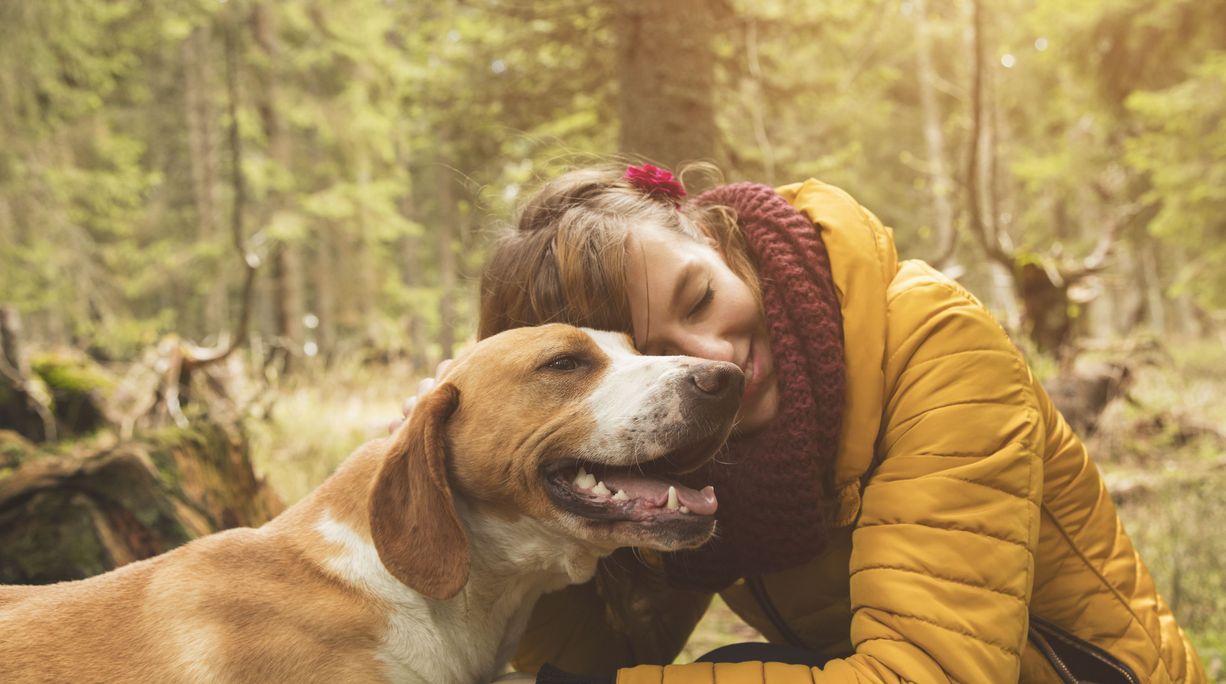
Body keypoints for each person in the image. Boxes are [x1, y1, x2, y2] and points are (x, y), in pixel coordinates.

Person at [404, 164, 1206, 683]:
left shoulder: (933, 336)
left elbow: (933, 674)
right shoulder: (675, 445)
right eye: (658, 356)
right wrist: (483, 487)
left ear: (714, 239)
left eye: (701, 297)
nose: (713, 358)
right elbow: (593, 654)